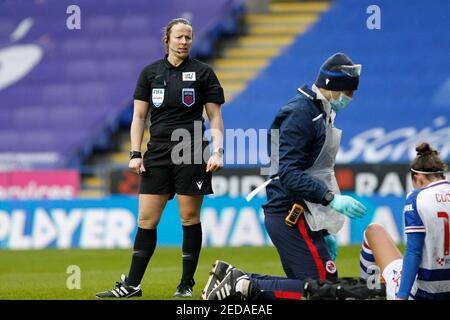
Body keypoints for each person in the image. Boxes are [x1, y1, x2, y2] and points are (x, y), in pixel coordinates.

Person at [202, 52, 368, 300]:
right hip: (291, 213)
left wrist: (323, 229)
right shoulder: (302, 114)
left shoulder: (318, 112)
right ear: (333, 87)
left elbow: (311, 169)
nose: (350, 98)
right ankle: (242, 286)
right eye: (349, 92)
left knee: (316, 286)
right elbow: (288, 172)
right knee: (322, 292)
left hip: (302, 213)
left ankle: (237, 279)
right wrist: (331, 198)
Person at [96, 17, 225, 298]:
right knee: (146, 219)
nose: (184, 42)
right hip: (157, 153)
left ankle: (186, 285)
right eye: (179, 37)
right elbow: (139, 117)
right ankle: (132, 285)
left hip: (192, 151)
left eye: (188, 37)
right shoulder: (150, 73)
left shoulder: (204, 73)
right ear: (167, 40)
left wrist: (217, 150)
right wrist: (135, 153)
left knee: (189, 218)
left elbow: (215, 117)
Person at [359, 143, 450, 300]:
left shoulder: (416, 198)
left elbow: (414, 252)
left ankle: (366, 293)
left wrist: (402, 296)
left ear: (417, 178)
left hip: (424, 294)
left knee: (373, 231)